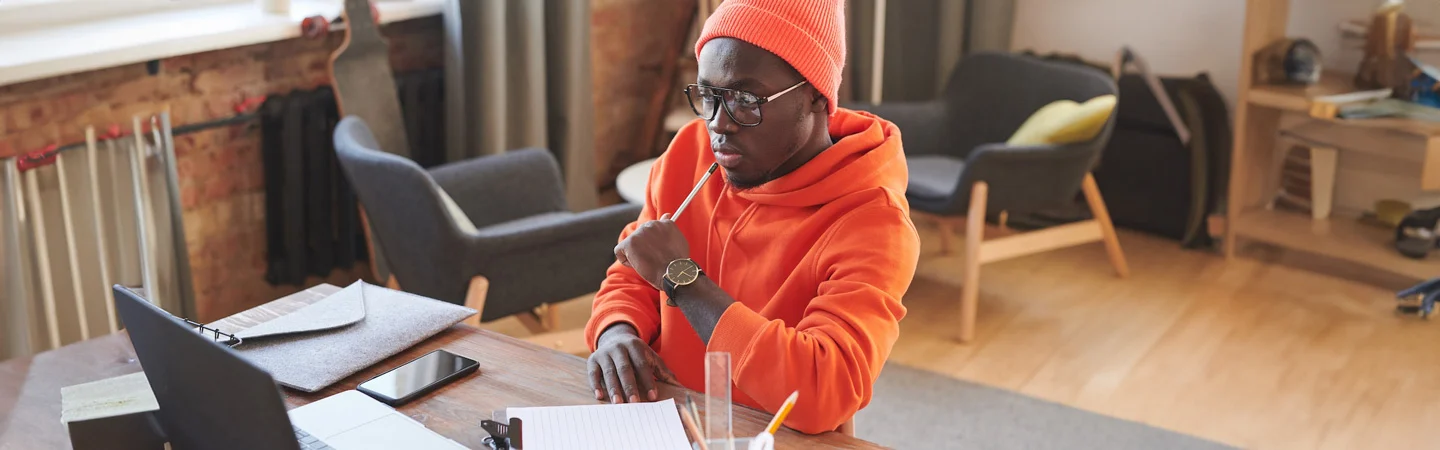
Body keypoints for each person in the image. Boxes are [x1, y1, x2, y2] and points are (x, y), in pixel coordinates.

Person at [584, 0, 920, 434]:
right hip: (665, 422)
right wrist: (616, 331)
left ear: (817, 95)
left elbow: (823, 392)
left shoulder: (873, 221)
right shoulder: (691, 152)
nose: (719, 124)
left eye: (745, 99)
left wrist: (682, 278)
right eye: (708, 95)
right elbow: (633, 271)